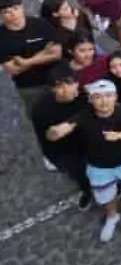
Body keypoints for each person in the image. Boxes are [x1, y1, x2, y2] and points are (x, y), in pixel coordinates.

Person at [47, 79, 121, 243]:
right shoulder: (83, 116)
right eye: (98, 97)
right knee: (106, 196)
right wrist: (55, 132)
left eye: (108, 95)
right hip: (98, 167)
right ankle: (112, 216)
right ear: (91, 100)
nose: (104, 101)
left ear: (115, 97)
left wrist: (119, 135)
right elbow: (61, 129)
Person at [0, 0, 63, 129]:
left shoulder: (40, 24)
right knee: (39, 115)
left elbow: (57, 53)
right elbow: (13, 70)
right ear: (1, 16)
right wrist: (43, 53)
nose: (13, 14)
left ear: (22, 7)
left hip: (55, 78)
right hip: (29, 86)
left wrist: (26, 62)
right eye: (6, 12)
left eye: (15, 8)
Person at [31, 64, 92, 208]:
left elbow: (94, 112)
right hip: (64, 148)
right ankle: (87, 191)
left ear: (77, 82)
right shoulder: (40, 107)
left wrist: (70, 123)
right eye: (60, 86)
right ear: (52, 89)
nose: (67, 89)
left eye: (70, 83)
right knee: (79, 173)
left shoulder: (85, 95)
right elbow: (45, 138)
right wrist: (53, 136)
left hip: (88, 139)